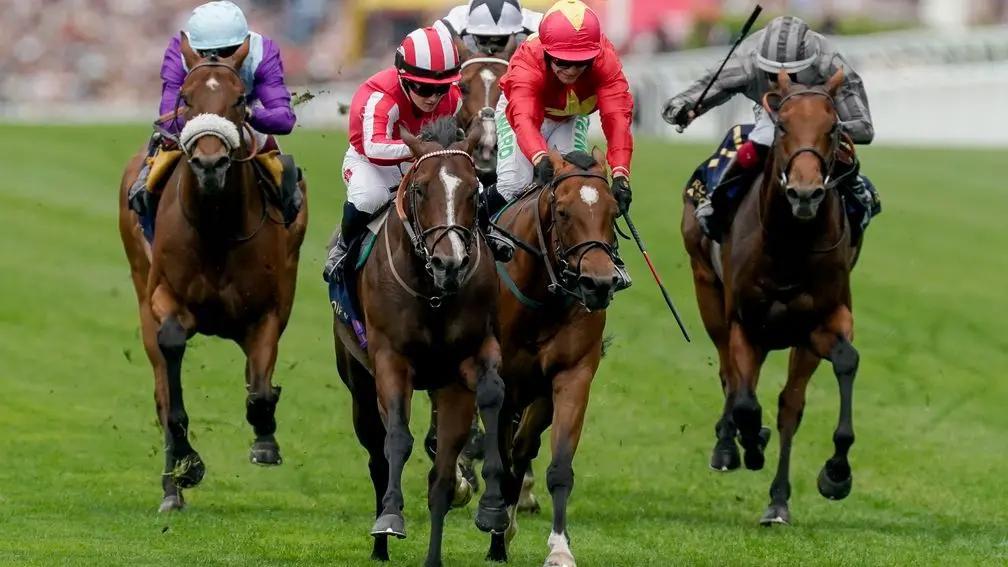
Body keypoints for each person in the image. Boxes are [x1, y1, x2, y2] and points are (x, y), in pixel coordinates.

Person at [663, 15, 880, 243]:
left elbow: (863, 128)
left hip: (819, 117)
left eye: (792, 74)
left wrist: (824, 130)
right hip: (773, 110)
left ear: (809, 62)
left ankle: (860, 197)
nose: (782, 80)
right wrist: (682, 108)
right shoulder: (747, 59)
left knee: (831, 149)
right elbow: (705, 90)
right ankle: (717, 202)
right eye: (772, 75)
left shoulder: (828, 61)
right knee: (763, 137)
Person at [491, 0, 634, 284]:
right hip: (522, 115)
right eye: (561, 61)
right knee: (513, 183)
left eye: (581, 62)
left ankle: (603, 256)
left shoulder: (606, 62)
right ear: (546, 52)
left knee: (578, 187)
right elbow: (524, 117)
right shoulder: (528, 60)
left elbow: (618, 120)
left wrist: (620, 174)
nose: (570, 70)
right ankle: (479, 233)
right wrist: (538, 157)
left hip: (571, 117)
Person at [127, 1, 299, 224]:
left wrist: (245, 114)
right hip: (193, 122)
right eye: (205, 53)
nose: (215, 59)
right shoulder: (179, 51)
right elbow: (168, 118)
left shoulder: (262, 52)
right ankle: (149, 233)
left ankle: (286, 240)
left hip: (242, 119)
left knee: (288, 185)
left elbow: (283, 120)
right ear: (194, 48)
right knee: (149, 178)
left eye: (228, 52)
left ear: (243, 45)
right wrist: (205, 119)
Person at [323, 24, 468, 282]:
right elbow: (374, 147)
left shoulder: (453, 99)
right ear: (403, 78)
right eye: (423, 88)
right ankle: (342, 248)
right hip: (371, 163)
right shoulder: (381, 98)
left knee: (466, 188)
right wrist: (422, 150)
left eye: (441, 88)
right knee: (370, 197)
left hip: (421, 159)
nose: (434, 97)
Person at [440, 0, 543, 55]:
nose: (492, 49)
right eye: (484, 39)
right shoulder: (453, 26)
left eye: (501, 40)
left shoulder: (537, 27)